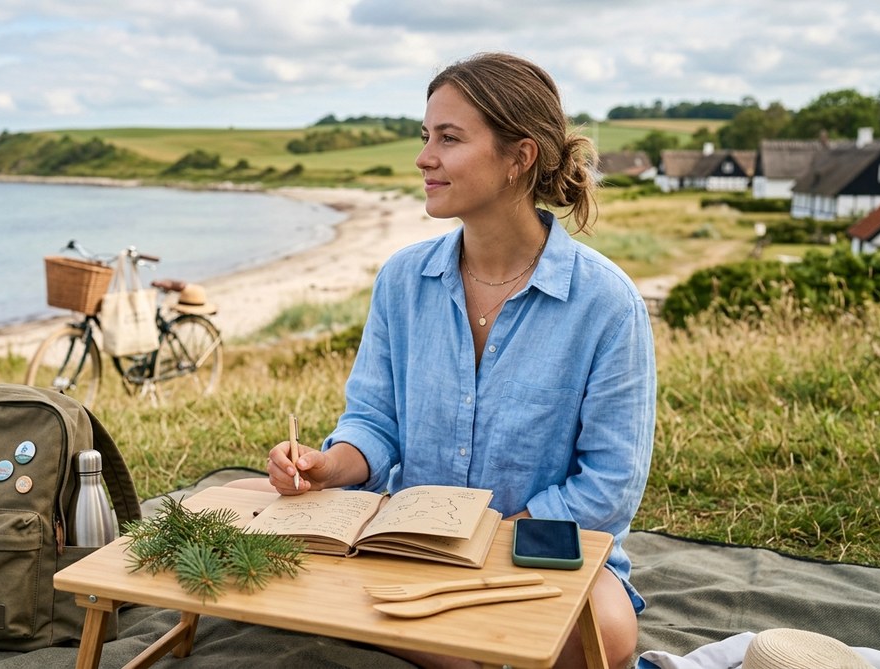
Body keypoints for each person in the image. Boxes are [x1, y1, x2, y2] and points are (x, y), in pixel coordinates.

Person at [255, 51, 656, 668]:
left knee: (603, 628)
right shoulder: (401, 280)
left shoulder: (607, 303)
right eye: (425, 137)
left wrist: (483, 542)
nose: (424, 158)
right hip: (410, 545)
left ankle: (436, 645)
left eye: (449, 138)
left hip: (539, 550)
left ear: (519, 157)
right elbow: (374, 423)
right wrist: (326, 465)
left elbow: (608, 486)